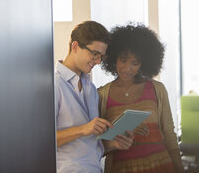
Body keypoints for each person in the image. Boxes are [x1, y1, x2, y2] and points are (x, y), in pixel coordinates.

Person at [98, 24, 184, 173]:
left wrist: (180, 169)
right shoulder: (101, 95)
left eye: (135, 63)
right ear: (113, 59)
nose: (127, 68)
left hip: (161, 165)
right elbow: (98, 146)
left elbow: (169, 134)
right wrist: (120, 134)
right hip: (122, 168)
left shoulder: (157, 89)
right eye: (123, 60)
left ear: (143, 63)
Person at [55, 21, 134, 173]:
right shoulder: (54, 85)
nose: (98, 61)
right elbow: (42, 142)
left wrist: (113, 144)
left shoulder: (90, 88)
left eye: (101, 57)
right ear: (75, 47)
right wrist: (83, 129)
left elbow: (88, 147)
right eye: (94, 54)